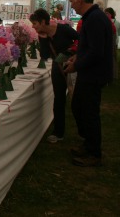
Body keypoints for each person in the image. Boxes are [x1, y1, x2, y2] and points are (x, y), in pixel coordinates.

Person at [64, 0, 113, 167]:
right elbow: (89, 47)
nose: (71, 5)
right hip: (90, 71)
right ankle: (88, 144)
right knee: (79, 107)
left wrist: (76, 65)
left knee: (89, 112)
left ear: (80, 0)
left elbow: (96, 52)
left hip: (93, 74)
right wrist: (77, 56)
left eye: (72, 1)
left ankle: (94, 153)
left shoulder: (94, 19)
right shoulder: (92, 17)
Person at [30, 9, 78, 144]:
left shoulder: (63, 29)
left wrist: (73, 52)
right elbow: (45, 56)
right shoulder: (42, 34)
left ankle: (84, 129)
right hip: (57, 67)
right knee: (59, 98)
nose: (33, 27)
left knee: (78, 98)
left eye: (35, 23)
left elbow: (80, 39)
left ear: (43, 22)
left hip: (73, 65)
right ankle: (58, 132)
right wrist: (44, 39)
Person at [104, 7, 119, 79]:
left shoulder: (112, 22)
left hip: (111, 42)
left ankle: (112, 74)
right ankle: (113, 74)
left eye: (106, 13)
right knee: (112, 58)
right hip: (112, 42)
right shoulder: (115, 22)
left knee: (111, 58)